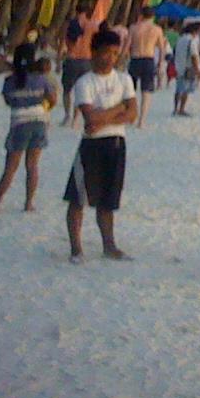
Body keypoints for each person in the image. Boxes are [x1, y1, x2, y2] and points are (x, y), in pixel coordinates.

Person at [65, 27, 137, 263]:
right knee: (79, 198)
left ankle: (109, 245)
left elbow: (132, 113)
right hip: (92, 146)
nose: (110, 58)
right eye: (106, 52)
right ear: (94, 52)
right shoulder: (85, 82)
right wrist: (119, 108)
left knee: (108, 198)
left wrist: (107, 115)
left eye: (115, 53)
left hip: (116, 143)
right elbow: (90, 119)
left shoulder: (124, 79)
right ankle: (76, 248)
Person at [0, 45, 56, 212]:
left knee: (10, 167)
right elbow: (52, 99)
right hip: (39, 120)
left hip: (19, 121)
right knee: (32, 165)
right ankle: (28, 203)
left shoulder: (10, 81)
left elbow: (9, 101)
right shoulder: (41, 79)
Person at [127, 5, 166, 128]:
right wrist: (160, 63)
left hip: (135, 59)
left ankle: (131, 117)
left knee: (130, 91)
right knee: (146, 91)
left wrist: (121, 59)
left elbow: (127, 45)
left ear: (141, 15)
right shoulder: (157, 29)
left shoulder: (133, 28)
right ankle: (141, 121)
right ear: (153, 16)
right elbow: (162, 49)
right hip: (148, 60)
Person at [59, 3, 95, 126]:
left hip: (71, 59)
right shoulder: (92, 26)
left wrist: (59, 60)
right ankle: (76, 118)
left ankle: (67, 115)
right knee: (81, 91)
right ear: (87, 12)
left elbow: (63, 43)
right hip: (86, 60)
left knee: (67, 90)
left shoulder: (69, 24)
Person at [172, 22, 200, 117]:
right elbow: (194, 56)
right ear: (195, 31)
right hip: (188, 67)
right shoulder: (191, 41)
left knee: (178, 89)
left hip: (179, 66)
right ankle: (181, 109)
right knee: (185, 90)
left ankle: (175, 108)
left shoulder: (180, 39)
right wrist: (198, 70)